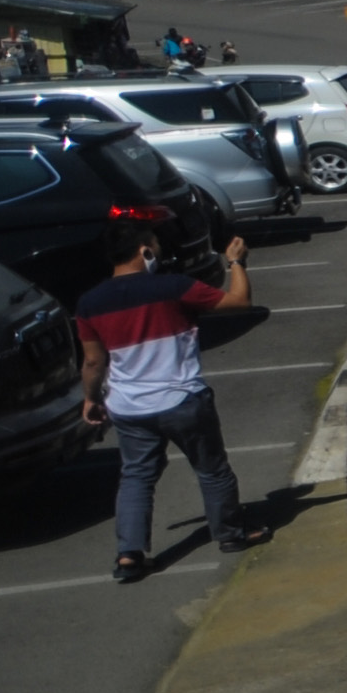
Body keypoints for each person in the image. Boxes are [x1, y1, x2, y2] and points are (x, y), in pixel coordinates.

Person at [78, 219, 266, 585]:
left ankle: (129, 555)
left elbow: (93, 361)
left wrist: (91, 399)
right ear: (145, 250)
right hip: (182, 400)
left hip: (129, 407)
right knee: (211, 469)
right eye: (155, 246)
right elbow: (240, 301)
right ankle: (229, 534)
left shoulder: (89, 303)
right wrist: (236, 262)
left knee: (136, 476)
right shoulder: (173, 287)